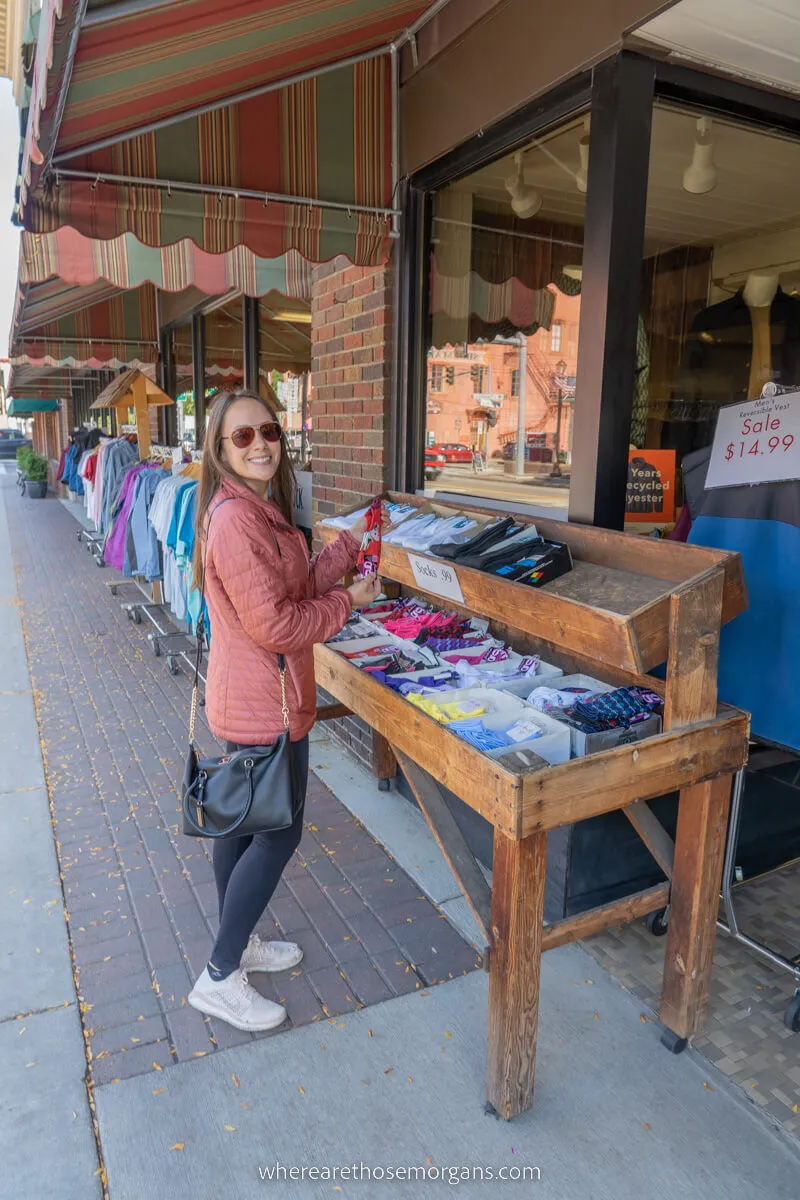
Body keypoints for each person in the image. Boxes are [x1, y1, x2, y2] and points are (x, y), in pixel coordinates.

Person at [186, 387, 380, 1031]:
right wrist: (349, 603)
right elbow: (275, 623)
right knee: (278, 830)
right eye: (242, 436)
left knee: (243, 825)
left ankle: (235, 947)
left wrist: (344, 552)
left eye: (268, 431)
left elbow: (290, 587)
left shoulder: (257, 510)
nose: (260, 444)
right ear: (219, 448)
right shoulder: (238, 519)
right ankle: (219, 975)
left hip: (258, 695)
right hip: (263, 701)